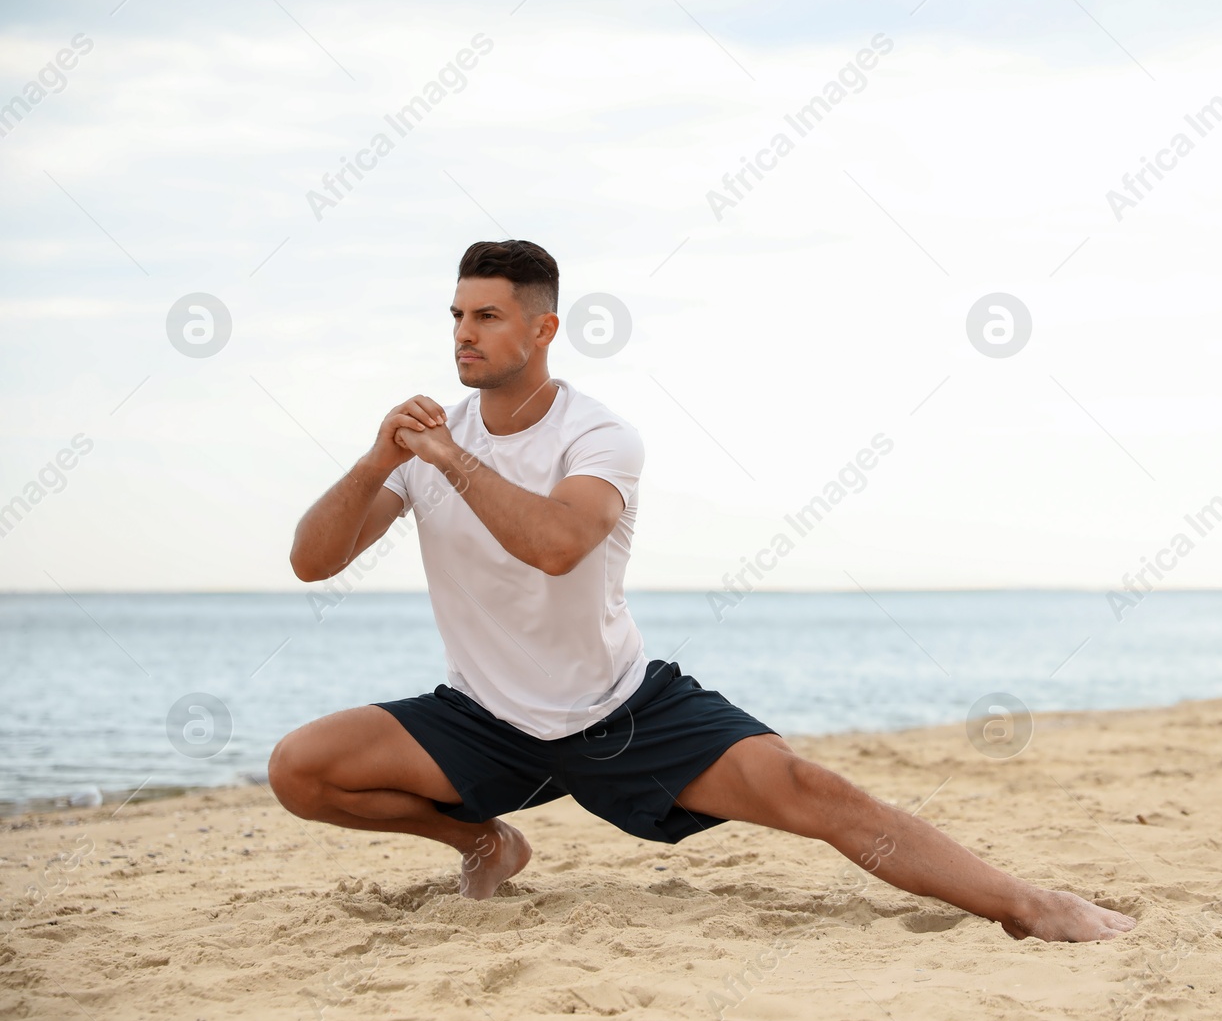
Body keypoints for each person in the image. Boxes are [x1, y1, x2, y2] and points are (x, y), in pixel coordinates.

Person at [267, 239, 1136, 943]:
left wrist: (451, 460)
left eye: (487, 316)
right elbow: (313, 560)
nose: (464, 333)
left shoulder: (598, 434)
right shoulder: (422, 449)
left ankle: (1031, 905)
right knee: (301, 769)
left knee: (813, 790)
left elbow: (558, 546)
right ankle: (484, 839)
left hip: (619, 711)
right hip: (485, 720)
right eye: (457, 316)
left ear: (542, 329)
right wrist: (381, 457)